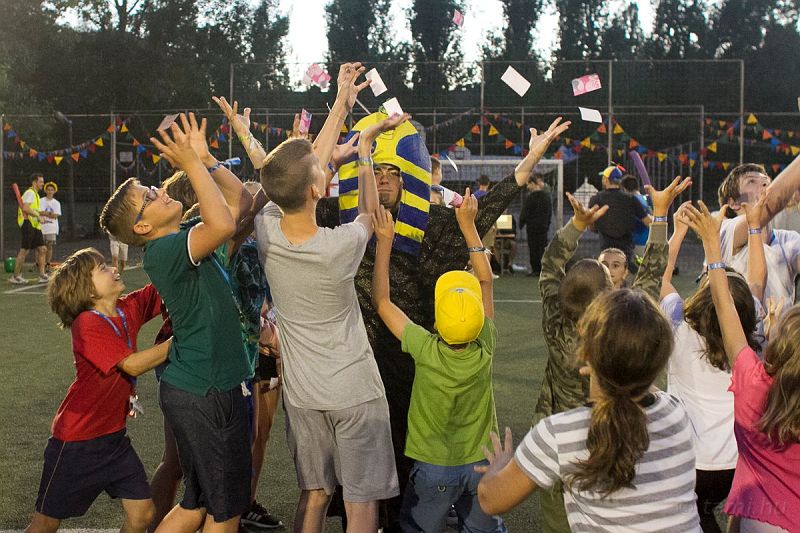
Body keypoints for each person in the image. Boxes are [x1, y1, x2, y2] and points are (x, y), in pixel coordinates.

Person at [225, 76, 571, 529]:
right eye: (379, 172)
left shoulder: (434, 227)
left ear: (411, 178)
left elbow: (488, 206)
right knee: (355, 493)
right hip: (358, 377)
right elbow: (287, 185)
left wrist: (531, 158)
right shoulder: (340, 225)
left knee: (401, 477)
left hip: (412, 370)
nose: (385, 179)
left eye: (395, 172)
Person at [249, 81, 403, 532]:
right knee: (360, 503)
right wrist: (365, 150)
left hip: (303, 397)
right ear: (318, 190)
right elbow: (370, 216)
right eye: (322, 170)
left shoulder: (266, 229)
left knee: (315, 494)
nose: (326, 165)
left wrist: (340, 105)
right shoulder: (339, 246)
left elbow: (301, 167)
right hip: (355, 391)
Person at [100, 112, 255, 533]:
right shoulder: (164, 252)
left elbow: (243, 204)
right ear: (142, 226)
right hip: (205, 390)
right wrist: (189, 164)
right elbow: (224, 222)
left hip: (203, 387)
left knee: (197, 506)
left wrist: (207, 161)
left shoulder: (181, 236)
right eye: (149, 196)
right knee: (225, 513)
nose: (160, 191)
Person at [533, 176, 690, 532]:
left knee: (558, 518)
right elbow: (651, 274)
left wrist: (576, 225)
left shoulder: (555, 320)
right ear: (608, 292)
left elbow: (549, 266)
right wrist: (660, 214)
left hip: (558, 440)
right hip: (612, 437)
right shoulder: (619, 332)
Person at [475, 288, 701, 532]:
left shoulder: (560, 434)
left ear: (585, 354)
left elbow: (490, 500)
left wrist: (500, 466)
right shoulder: (676, 413)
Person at [371, 192, 506, 533]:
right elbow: (486, 281)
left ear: (436, 320)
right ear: (478, 321)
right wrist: (469, 227)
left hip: (433, 468)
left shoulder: (424, 348)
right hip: (481, 464)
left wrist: (384, 243)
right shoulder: (485, 345)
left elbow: (382, 302)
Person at [26, 248, 170, 533]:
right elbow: (132, 365)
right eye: (103, 268)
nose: (114, 269)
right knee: (45, 524)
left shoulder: (126, 308)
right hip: (76, 443)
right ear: (88, 290)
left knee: (142, 514)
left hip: (114, 440)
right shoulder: (87, 323)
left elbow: (161, 289)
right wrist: (180, 340)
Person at [682, 200, 800, 533]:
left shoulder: (753, 383)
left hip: (759, 523)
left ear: (779, 346)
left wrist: (712, 245)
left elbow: (724, 307)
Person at [660, 198, 766, 533]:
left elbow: (661, 279)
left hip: (687, 461)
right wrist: (754, 227)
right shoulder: (753, 338)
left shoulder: (678, 325)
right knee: (709, 517)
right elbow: (758, 281)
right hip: (738, 463)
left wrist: (678, 233)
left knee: (691, 519)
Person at [717, 163, 800, 310]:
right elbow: (774, 201)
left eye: (766, 180)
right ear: (733, 203)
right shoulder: (725, 230)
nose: (765, 183)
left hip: (778, 325)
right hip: (740, 325)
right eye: (751, 181)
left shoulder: (789, 239)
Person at [588, 166, 652, 273]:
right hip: (626, 251)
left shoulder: (596, 199)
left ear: (606, 180)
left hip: (606, 250)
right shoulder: (631, 199)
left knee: (607, 276)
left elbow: (591, 226)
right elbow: (648, 222)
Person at [11, 173, 48, 284]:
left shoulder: (35, 194)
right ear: (34, 182)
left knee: (42, 249)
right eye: (41, 181)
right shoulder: (30, 193)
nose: (42, 184)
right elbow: (25, 208)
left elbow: (31, 209)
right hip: (28, 224)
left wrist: (38, 217)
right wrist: (38, 216)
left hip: (35, 225)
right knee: (25, 250)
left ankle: (42, 275)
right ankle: (16, 276)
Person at [519, 174, 551, 276]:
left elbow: (525, 213)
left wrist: (521, 223)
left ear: (533, 183)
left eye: (528, 184)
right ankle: (543, 269)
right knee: (542, 248)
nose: (528, 187)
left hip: (532, 227)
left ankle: (535, 269)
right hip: (543, 227)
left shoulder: (530, 198)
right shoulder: (546, 197)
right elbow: (549, 212)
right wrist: (547, 224)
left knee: (533, 248)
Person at [39, 181, 61, 269]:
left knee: (49, 246)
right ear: (45, 190)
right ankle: (39, 263)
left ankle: (47, 263)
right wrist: (49, 214)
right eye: (48, 189)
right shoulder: (41, 201)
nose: (50, 191)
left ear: (54, 191)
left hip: (51, 228)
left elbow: (56, 215)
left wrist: (45, 213)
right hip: (41, 227)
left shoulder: (56, 203)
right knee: (40, 247)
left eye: (52, 190)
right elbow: (39, 212)